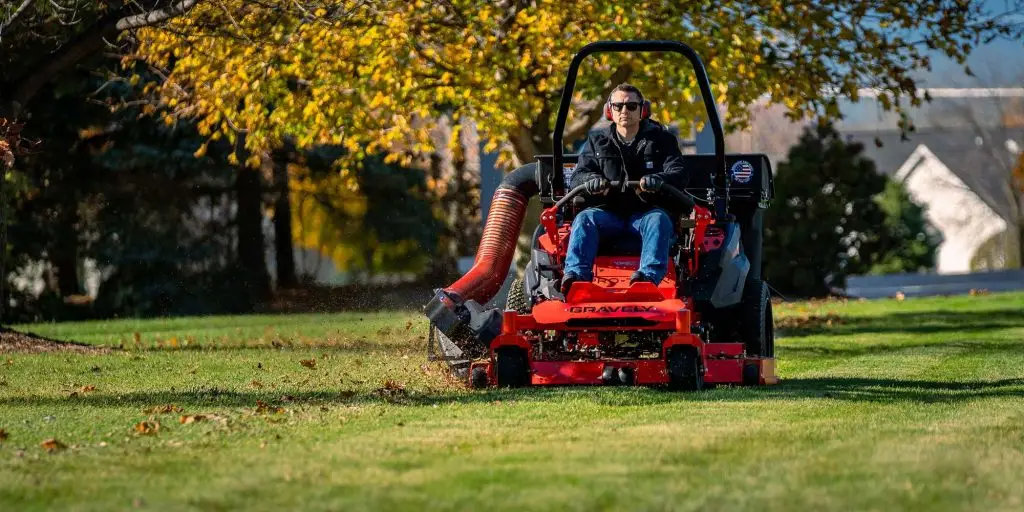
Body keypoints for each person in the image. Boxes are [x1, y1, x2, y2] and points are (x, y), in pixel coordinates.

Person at [561, 83, 688, 294]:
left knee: (658, 219)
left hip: (647, 214)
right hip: (607, 214)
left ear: (642, 110)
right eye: (618, 106)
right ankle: (576, 279)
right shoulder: (596, 142)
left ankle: (646, 279)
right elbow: (578, 177)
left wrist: (658, 179)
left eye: (631, 106)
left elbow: (679, 173)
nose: (624, 111)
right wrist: (591, 179)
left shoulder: (662, 141)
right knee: (584, 219)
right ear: (610, 110)